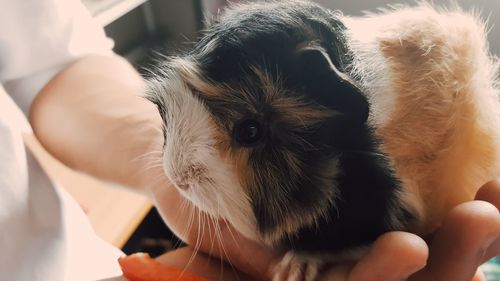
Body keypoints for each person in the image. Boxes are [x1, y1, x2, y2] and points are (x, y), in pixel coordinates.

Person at [0, 0, 498, 280]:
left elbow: (52, 66)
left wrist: (153, 167)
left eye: (248, 132)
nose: (178, 170)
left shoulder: (382, 174)